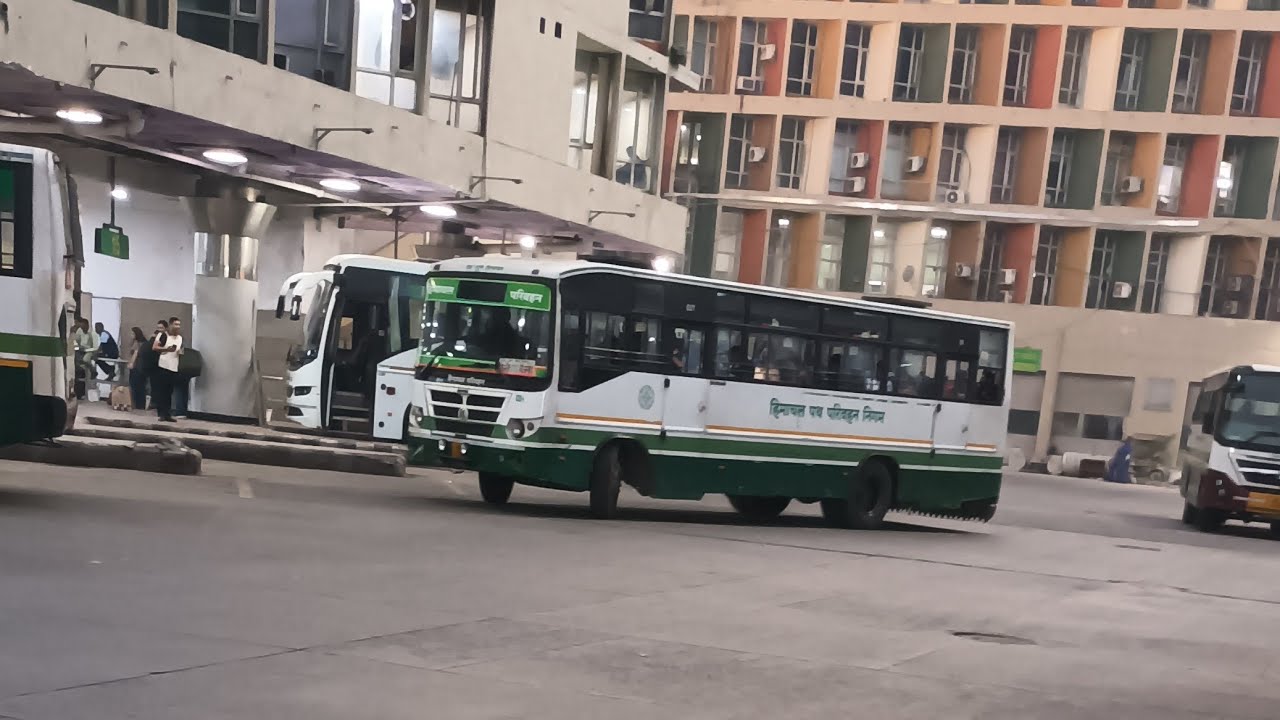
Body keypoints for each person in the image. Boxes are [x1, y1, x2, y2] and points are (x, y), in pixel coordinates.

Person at [150, 319, 179, 422]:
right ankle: (161, 413)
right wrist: (167, 350)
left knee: (169, 391)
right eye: (158, 328)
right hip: (161, 366)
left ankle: (167, 413)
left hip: (172, 366)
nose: (159, 329)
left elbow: (179, 349)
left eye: (161, 328)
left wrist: (178, 351)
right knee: (161, 391)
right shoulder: (161, 336)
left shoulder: (177, 337)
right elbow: (155, 347)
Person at [165, 317, 190, 419]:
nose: (177, 327)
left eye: (178, 325)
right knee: (180, 389)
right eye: (176, 324)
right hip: (178, 367)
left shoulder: (177, 338)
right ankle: (180, 411)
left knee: (178, 389)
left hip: (176, 367)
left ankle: (178, 411)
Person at [126, 327, 150, 411]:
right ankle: (140, 404)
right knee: (140, 386)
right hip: (142, 367)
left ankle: (137, 404)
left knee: (136, 386)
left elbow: (135, 354)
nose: (131, 335)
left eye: (132, 333)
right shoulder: (143, 343)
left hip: (137, 367)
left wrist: (131, 363)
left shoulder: (138, 343)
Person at [71, 318, 95, 400]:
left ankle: (80, 393)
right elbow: (75, 345)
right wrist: (81, 348)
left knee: (81, 375)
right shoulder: (77, 333)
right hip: (78, 355)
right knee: (78, 376)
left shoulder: (89, 335)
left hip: (84, 355)